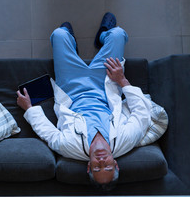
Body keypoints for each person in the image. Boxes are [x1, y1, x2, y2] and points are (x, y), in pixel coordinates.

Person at [16, 13, 152, 191]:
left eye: (97, 167)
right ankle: (103, 36)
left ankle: (70, 41)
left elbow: (47, 133)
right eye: (108, 166)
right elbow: (142, 114)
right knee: (118, 34)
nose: (102, 161)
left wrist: (29, 108)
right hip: (104, 84)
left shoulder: (70, 148)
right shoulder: (125, 141)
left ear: (89, 167)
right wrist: (121, 79)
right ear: (116, 164)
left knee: (59, 35)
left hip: (71, 88)